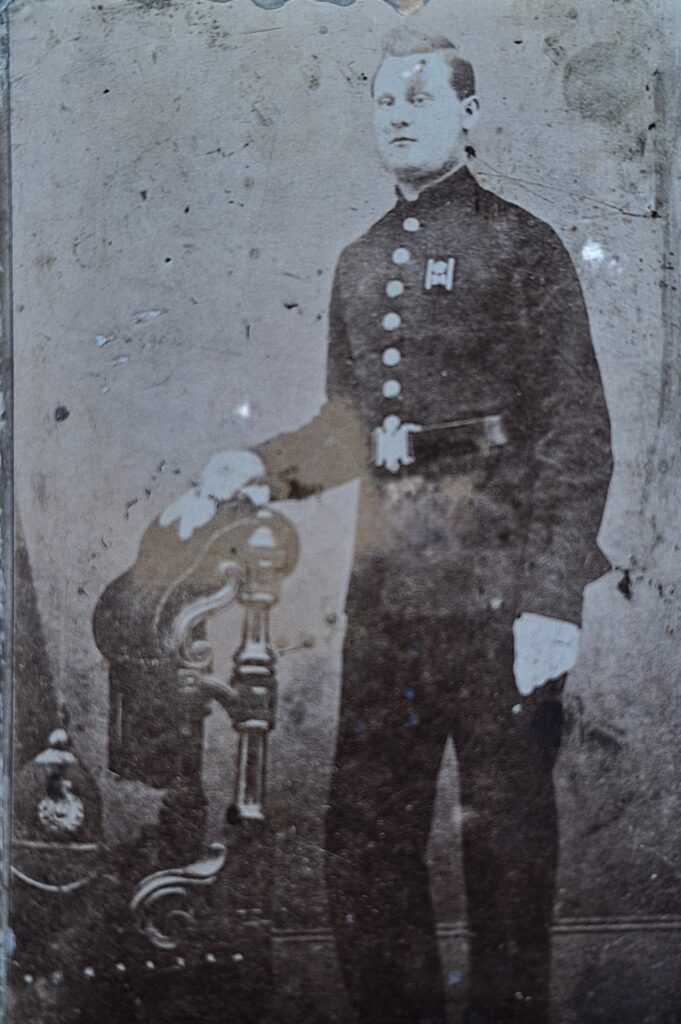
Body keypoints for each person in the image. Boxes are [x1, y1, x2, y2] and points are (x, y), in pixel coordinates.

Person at [198, 31, 613, 1024]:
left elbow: (575, 433)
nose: (397, 115)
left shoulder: (523, 246)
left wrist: (552, 599)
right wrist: (259, 468)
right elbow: (345, 432)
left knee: (505, 841)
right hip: (388, 594)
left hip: (501, 589)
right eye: (384, 100)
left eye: (419, 99)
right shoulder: (360, 260)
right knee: (366, 837)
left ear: (469, 115)